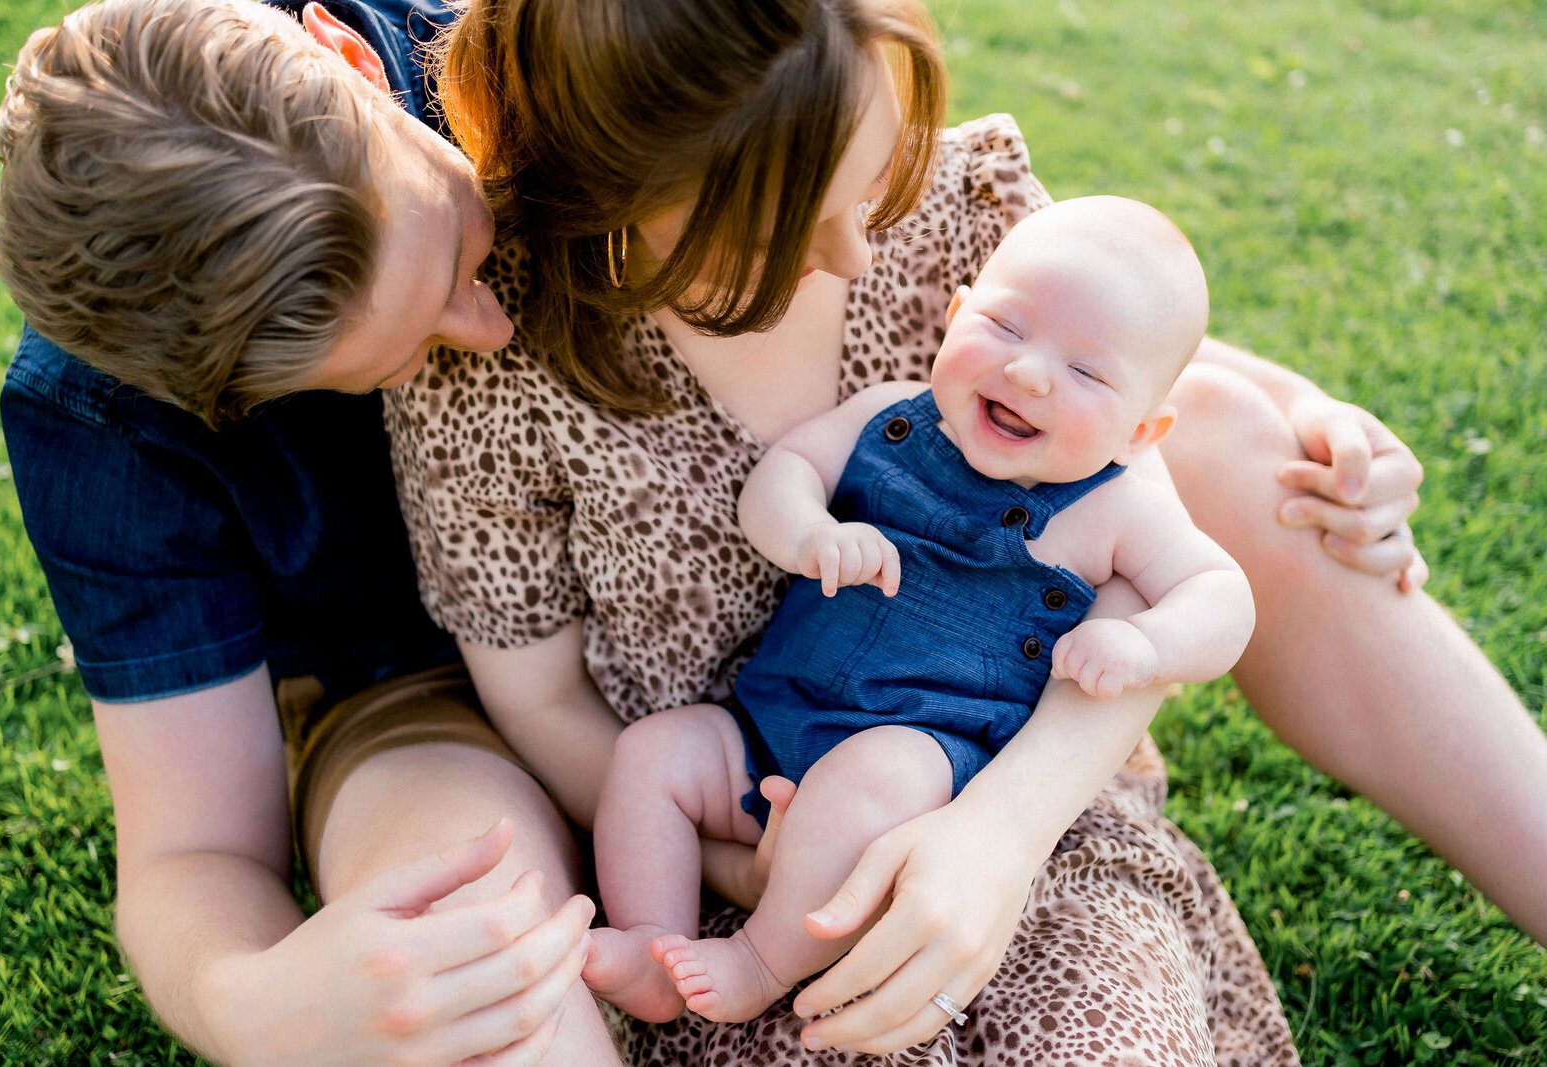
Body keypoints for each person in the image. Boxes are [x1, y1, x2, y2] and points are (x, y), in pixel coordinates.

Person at [395, 0, 1547, 1061]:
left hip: (1017, 796)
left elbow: (1135, 409)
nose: (859, 251)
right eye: (796, 220)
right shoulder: (492, 359)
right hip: (729, 839)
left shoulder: (951, 208)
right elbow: (541, 695)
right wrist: (741, 868)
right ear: (624, 190)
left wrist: (1311, 411)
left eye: (877, 180)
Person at [0, 0, 631, 1061]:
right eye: (403, 355)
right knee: (464, 957)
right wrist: (248, 999)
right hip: (413, 696)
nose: (491, 329)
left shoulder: (569, 62)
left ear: (352, 61)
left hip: (728, 582)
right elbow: (193, 846)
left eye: (458, 263)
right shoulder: (103, 410)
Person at [589, 194, 1260, 1026]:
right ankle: (654, 941)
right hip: (767, 727)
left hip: (923, 764)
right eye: (1007, 327)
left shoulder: (1116, 510)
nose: (1028, 372)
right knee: (656, 753)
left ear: (1139, 431)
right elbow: (789, 468)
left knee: (871, 782)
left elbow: (1224, 599)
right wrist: (804, 530)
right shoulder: (889, 418)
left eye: (1086, 373)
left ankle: (759, 960)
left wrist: (1146, 643)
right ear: (956, 315)